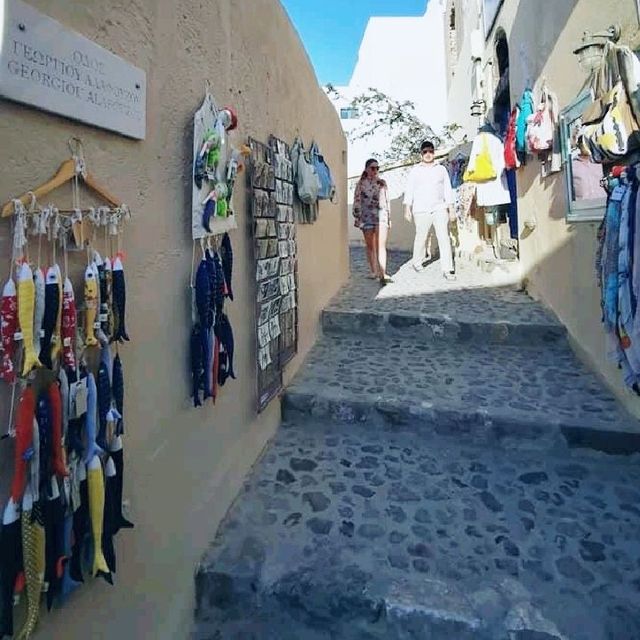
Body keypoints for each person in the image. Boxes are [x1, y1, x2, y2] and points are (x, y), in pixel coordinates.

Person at [403, 140, 456, 279]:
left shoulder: (441, 169)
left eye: (430, 151)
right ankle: (417, 261)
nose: (428, 154)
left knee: (444, 238)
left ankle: (447, 269)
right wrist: (407, 208)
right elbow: (409, 190)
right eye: (425, 151)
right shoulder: (415, 170)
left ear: (434, 152)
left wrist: (451, 209)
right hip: (421, 209)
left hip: (439, 207)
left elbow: (447, 190)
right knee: (421, 236)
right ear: (421, 154)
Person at [352, 158, 392, 284]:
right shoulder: (361, 184)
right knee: (370, 246)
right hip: (367, 217)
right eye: (372, 168)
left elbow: (387, 200)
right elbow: (357, 199)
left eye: (377, 168)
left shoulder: (382, 183)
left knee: (381, 245)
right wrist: (357, 216)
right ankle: (373, 271)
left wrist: (389, 217)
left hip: (382, 216)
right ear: (367, 169)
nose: (375, 171)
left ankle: (383, 272)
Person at [572, 136, 606, 200]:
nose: (586, 147)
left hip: (602, 203)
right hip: (584, 206)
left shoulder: (598, 162)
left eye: (588, 144)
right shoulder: (572, 166)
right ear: (579, 146)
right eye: (584, 144)